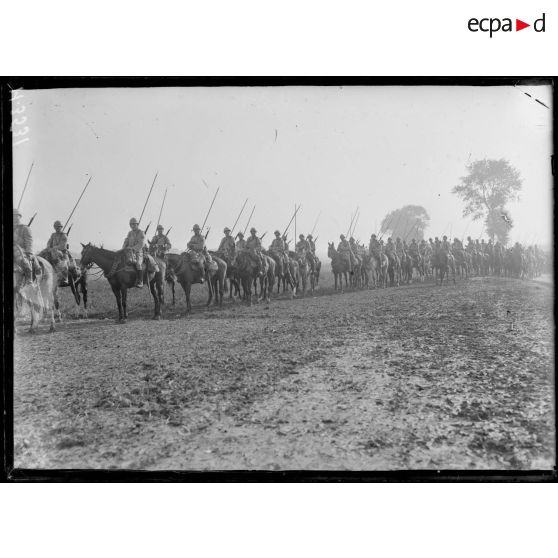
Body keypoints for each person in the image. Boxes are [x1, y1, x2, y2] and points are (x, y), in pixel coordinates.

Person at [13, 208, 36, 286]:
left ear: (19, 217)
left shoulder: (25, 228)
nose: (14, 217)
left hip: (21, 249)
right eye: (13, 216)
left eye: (16, 216)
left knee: (21, 259)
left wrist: (29, 252)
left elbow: (29, 241)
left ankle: (29, 278)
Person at [46, 220, 70, 285]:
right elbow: (49, 242)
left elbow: (62, 246)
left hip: (62, 253)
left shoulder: (64, 235)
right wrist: (48, 248)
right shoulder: (53, 235)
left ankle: (65, 278)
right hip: (52, 251)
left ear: (61, 227)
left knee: (64, 264)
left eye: (58, 227)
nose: (57, 228)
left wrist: (53, 248)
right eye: (56, 227)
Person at [123, 217, 145, 287]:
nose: (132, 226)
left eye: (134, 224)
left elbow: (141, 244)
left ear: (137, 224)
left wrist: (132, 249)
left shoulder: (141, 233)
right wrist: (124, 248)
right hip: (129, 252)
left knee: (138, 264)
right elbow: (126, 241)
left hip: (138, 252)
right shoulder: (130, 233)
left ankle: (140, 281)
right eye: (131, 224)